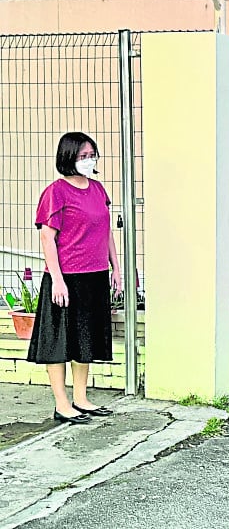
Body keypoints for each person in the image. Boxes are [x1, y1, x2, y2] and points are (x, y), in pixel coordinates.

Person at [27, 132, 121, 424]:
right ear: (68, 157)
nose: (88, 160)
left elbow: (106, 233)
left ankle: (81, 398)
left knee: (86, 340)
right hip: (66, 277)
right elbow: (47, 237)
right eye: (82, 156)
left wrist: (116, 268)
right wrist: (56, 279)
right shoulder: (56, 192)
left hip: (94, 275)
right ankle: (62, 404)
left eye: (92, 155)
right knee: (59, 342)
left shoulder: (97, 189)